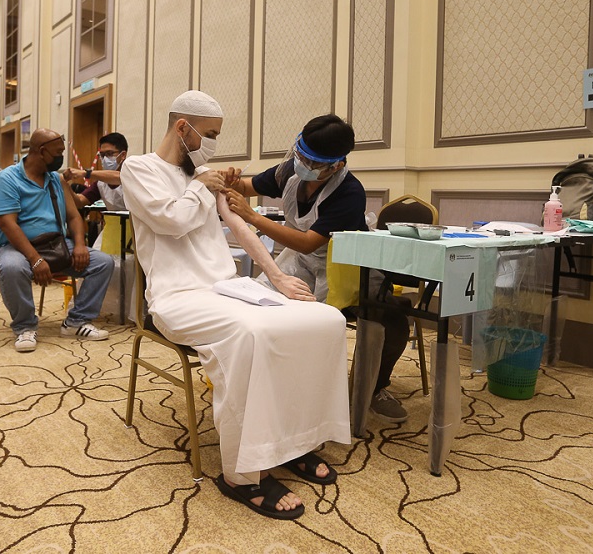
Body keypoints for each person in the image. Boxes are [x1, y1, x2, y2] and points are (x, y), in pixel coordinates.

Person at [122, 90, 351, 521]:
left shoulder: (204, 174)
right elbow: (169, 221)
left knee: (322, 319)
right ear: (181, 128)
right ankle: (242, 473)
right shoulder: (140, 168)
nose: (212, 144)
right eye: (209, 134)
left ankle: (295, 443)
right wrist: (198, 186)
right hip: (177, 298)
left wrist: (279, 277)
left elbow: (240, 225)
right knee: (252, 335)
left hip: (226, 288)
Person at [223, 115, 411, 424]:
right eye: (300, 154)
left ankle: (372, 388)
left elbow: (309, 242)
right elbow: (247, 186)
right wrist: (230, 182)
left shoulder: (349, 192)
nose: (302, 163)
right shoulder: (291, 169)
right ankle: (260, 381)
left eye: (312, 161)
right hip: (302, 261)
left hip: (344, 268)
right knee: (258, 305)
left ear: (335, 165)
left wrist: (253, 218)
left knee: (316, 325)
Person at [0, 128, 114, 352]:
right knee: (12, 267)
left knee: (103, 262)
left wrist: (79, 244)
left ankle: (76, 321)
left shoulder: (56, 180)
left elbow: (74, 215)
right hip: (15, 246)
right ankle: (25, 326)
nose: (61, 157)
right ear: (42, 151)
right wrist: (35, 259)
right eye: (58, 152)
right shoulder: (7, 179)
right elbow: (8, 224)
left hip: (55, 243)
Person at [67, 132, 129, 211]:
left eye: (110, 153)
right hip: (113, 222)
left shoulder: (132, 173)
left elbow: (119, 177)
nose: (105, 158)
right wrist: (64, 184)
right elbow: (80, 201)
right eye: (102, 155)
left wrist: (86, 173)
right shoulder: (101, 183)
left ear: (123, 155)